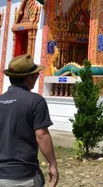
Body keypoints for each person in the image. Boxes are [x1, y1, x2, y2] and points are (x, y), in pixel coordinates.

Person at [0, 55, 59, 187]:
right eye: (36, 76)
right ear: (28, 78)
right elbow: (41, 135)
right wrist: (52, 164)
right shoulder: (35, 101)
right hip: (23, 175)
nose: (36, 79)